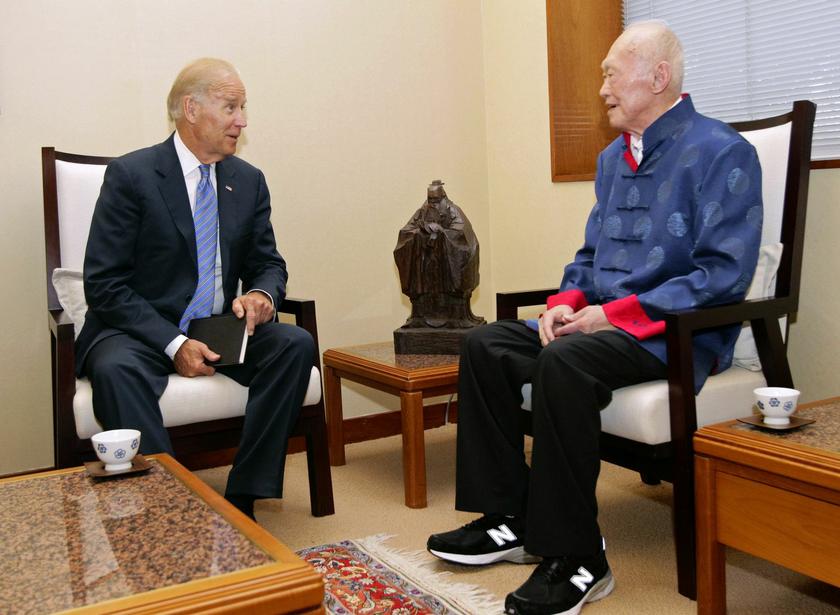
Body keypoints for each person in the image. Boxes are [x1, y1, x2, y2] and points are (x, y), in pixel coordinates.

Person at [426, 21, 762, 615]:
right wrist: (564, 304)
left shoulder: (722, 152)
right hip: (599, 326)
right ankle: (512, 519)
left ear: (658, 77)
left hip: (675, 335)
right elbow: (589, 257)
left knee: (564, 361)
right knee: (485, 345)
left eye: (611, 72)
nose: (602, 86)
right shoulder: (612, 159)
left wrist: (613, 316)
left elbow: (722, 275)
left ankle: (580, 557)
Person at [77, 58, 314, 521]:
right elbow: (104, 284)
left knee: (294, 344)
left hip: (219, 328)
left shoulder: (247, 181)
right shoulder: (133, 176)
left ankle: (243, 499)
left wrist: (263, 296)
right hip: (141, 330)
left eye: (244, 107)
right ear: (190, 108)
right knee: (114, 370)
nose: (242, 120)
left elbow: (267, 262)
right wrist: (175, 342)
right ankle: (174, 510)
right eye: (231, 107)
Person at [394, 180, 484, 329]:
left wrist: (441, 232)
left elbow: (461, 231)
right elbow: (406, 231)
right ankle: (420, 316)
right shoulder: (422, 212)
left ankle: (458, 317)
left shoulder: (453, 210)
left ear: (443, 196)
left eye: (436, 200)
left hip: (446, 261)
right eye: (430, 200)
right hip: (425, 262)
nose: (433, 203)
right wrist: (421, 231)